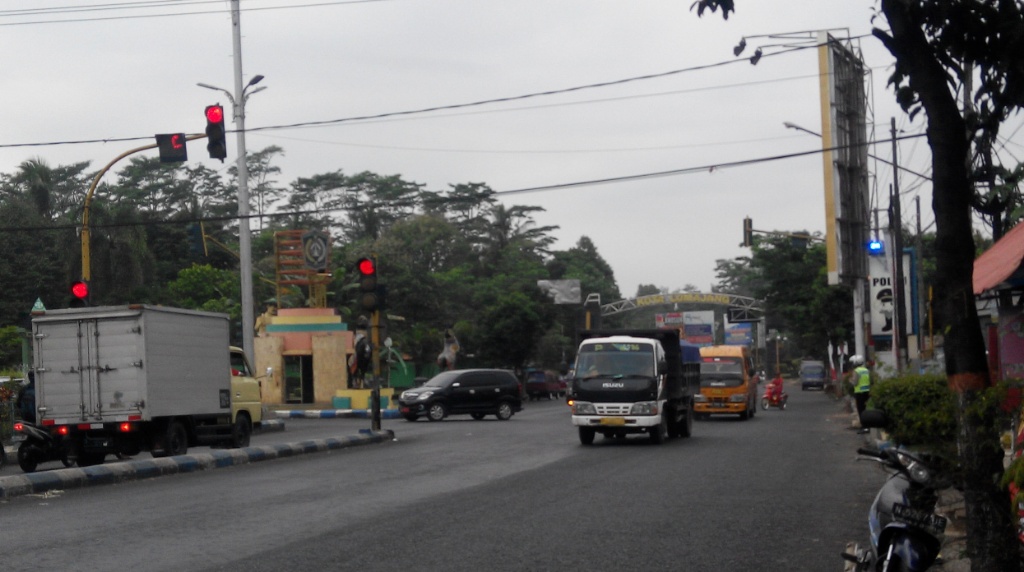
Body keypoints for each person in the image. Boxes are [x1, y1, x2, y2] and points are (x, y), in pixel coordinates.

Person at [850, 355, 871, 432]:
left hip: (859, 393)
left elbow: (855, 383)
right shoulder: (866, 370)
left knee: (860, 410)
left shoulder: (856, 371)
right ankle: (867, 426)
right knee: (866, 409)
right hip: (867, 392)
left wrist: (850, 381)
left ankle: (864, 427)